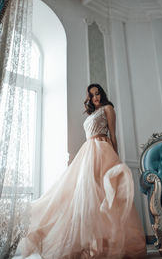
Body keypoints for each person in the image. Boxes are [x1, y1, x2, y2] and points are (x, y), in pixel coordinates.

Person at [19, 83, 147, 259]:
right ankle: (91, 244)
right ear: (89, 98)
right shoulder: (92, 114)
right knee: (86, 195)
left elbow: (113, 134)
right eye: (92, 95)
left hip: (103, 150)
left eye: (98, 93)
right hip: (87, 152)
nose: (96, 97)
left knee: (102, 194)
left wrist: (116, 159)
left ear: (102, 94)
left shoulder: (108, 108)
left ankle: (106, 244)